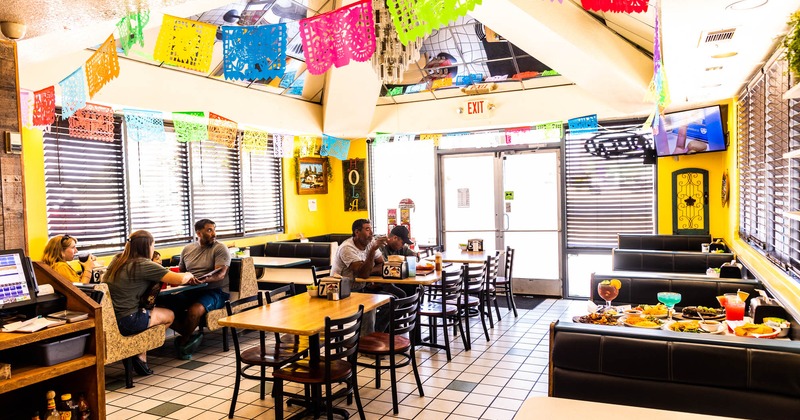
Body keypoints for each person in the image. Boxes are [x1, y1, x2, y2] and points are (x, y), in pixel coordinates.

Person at [103, 230, 193, 375]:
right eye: (153, 245)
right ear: (147, 247)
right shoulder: (143, 264)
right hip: (128, 320)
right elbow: (179, 279)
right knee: (169, 315)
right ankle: (140, 353)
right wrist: (189, 274)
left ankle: (136, 350)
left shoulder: (117, 259)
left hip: (111, 319)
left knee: (156, 310)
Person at [161, 219, 231, 360]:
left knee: (195, 310)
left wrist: (203, 280)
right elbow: (182, 272)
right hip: (190, 290)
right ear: (198, 233)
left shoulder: (220, 248)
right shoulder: (187, 250)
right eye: (209, 230)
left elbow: (220, 274)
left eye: (214, 229)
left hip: (215, 291)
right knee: (160, 304)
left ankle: (184, 341)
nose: (213, 234)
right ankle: (187, 333)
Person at [332, 219, 395, 333]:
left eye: (371, 229)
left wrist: (367, 269)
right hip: (343, 293)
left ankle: (374, 335)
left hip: (362, 288)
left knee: (391, 300)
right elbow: (364, 274)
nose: (371, 233)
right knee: (369, 306)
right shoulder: (347, 248)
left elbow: (382, 265)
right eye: (367, 229)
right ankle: (367, 341)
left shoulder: (370, 242)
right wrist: (372, 251)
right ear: (357, 232)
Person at [379, 225, 419, 297]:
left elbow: (415, 257)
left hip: (397, 280)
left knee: (417, 286)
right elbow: (385, 267)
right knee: (405, 291)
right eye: (403, 243)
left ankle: (412, 307)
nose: (403, 245)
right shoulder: (381, 247)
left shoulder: (402, 248)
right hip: (382, 282)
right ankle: (404, 308)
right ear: (395, 238)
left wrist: (410, 257)